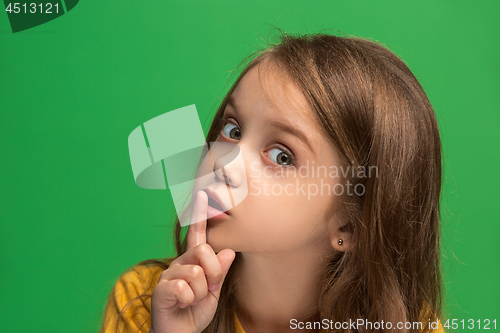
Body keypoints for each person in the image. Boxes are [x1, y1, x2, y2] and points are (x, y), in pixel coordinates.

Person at [99, 32, 444, 333]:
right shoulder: (146, 305)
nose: (223, 162)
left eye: (281, 155)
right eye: (232, 130)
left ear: (350, 226)